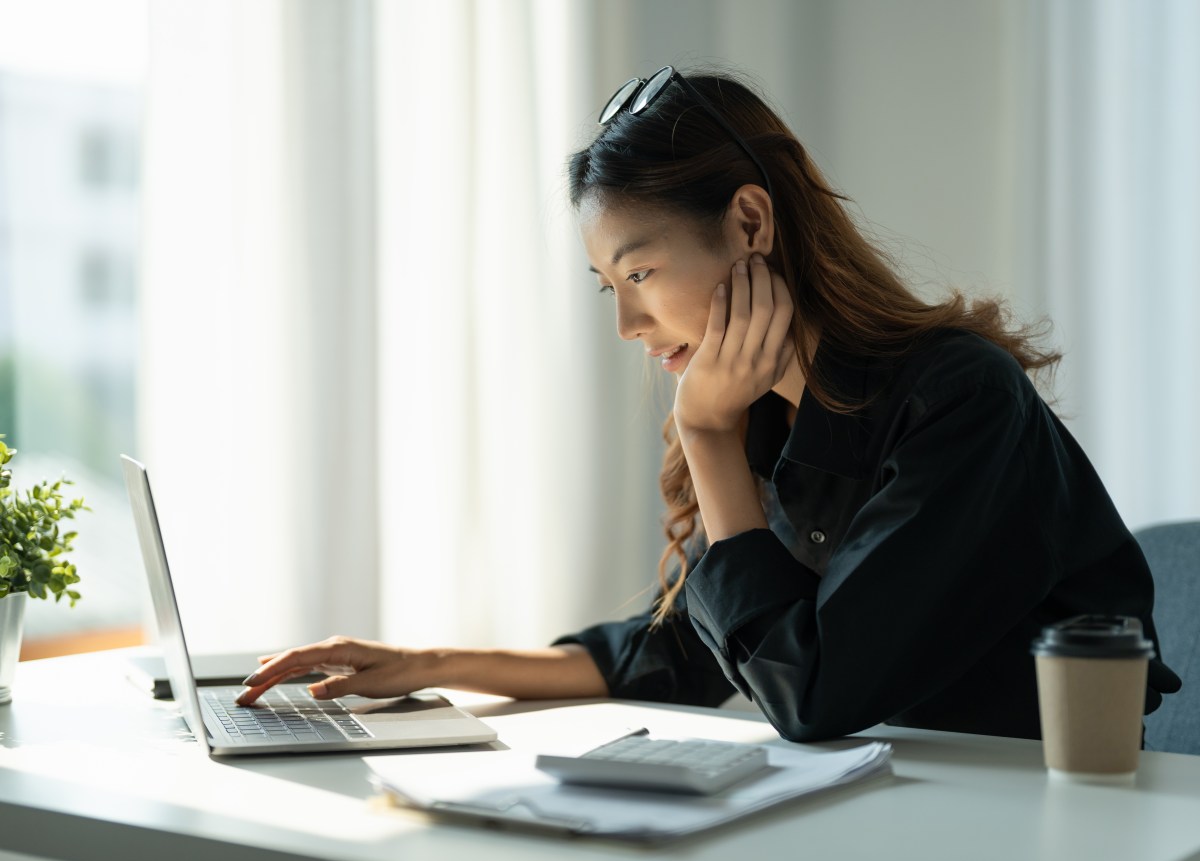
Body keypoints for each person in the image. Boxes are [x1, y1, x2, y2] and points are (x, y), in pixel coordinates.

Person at [238, 65, 1181, 741]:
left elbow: (809, 694)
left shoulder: (960, 400)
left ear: (751, 222)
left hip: (1044, 829)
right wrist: (427, 666)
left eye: (642, 270)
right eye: (608, 284)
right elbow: (676, 651)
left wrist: (706, 436)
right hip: (903, 812)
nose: (630, 324)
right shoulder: (764, 416)